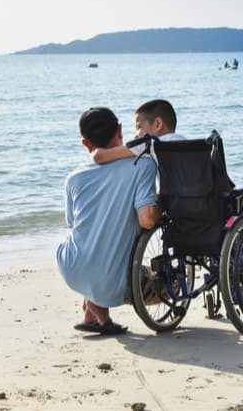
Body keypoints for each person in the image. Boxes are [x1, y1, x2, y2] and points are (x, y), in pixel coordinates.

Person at [56, 107, 161, 335]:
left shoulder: (73, 178)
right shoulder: (142, 166)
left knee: (91, 238)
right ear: (120, 131)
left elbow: (74, 224)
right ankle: (97, 307)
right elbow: (147, 221)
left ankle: (94, 313)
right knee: (168, 287)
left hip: (70, 267)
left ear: (86, 144)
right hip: (109, 278)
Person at [92, 99, 243, 226]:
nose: (136, 134)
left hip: (176, 209)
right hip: (210, 207)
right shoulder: (186, 144)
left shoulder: (149, 145)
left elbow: (101, 156)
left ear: (157, 124)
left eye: (139, 127)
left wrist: (94, 152)